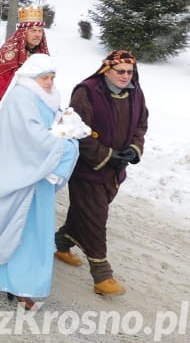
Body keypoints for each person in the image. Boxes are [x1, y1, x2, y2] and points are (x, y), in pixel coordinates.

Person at [0, 54, 80, 311]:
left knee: (31, 234)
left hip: (36, 178)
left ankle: (23, 286)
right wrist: (65, 146)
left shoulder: (50, 95)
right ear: (31, 77)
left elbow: (53, 124)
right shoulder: (21, 97)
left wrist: (68, 127)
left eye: (52, 77)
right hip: (12, 170)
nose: (49, 82)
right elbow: (30, 138)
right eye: (44, 77)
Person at [54, 50, 148, 297]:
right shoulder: (87, 92)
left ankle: (61, 243)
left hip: (115, 172)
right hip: (87, 170)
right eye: (121, 71)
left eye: (130, 72)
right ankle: (102, 275)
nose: (125, 76)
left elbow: (141, 125)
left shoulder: (136, 93)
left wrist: (133, 149)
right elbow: (76, 130)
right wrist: (105, 154)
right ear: (107, 69)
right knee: (96, 217)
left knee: (85, 212)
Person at [0, 5, 48, 124]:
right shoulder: (8, 53)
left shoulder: (43, 56)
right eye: (33, 31)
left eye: (40, 31)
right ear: (23, 32)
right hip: (9, 111)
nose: (37, 34)